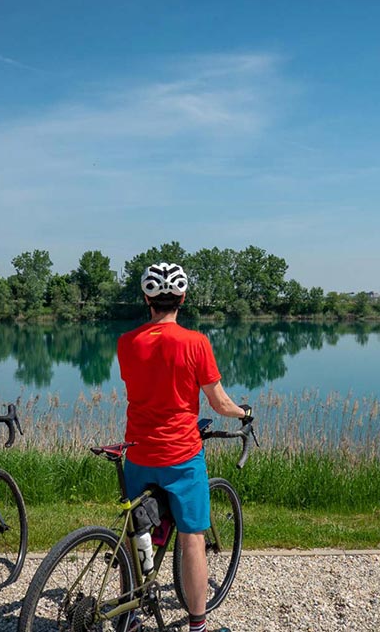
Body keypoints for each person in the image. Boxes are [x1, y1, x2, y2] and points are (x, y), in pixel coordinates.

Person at [117, 263, 250, 632]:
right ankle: (197, 625)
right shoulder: (195, 343)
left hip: (139, 453)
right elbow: (219, 403)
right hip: (181, 456)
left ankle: (130, 612)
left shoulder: (126, 343)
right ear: (183, 298)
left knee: (136, 530)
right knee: (193, 535)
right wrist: (244, 412)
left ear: (147, 299)